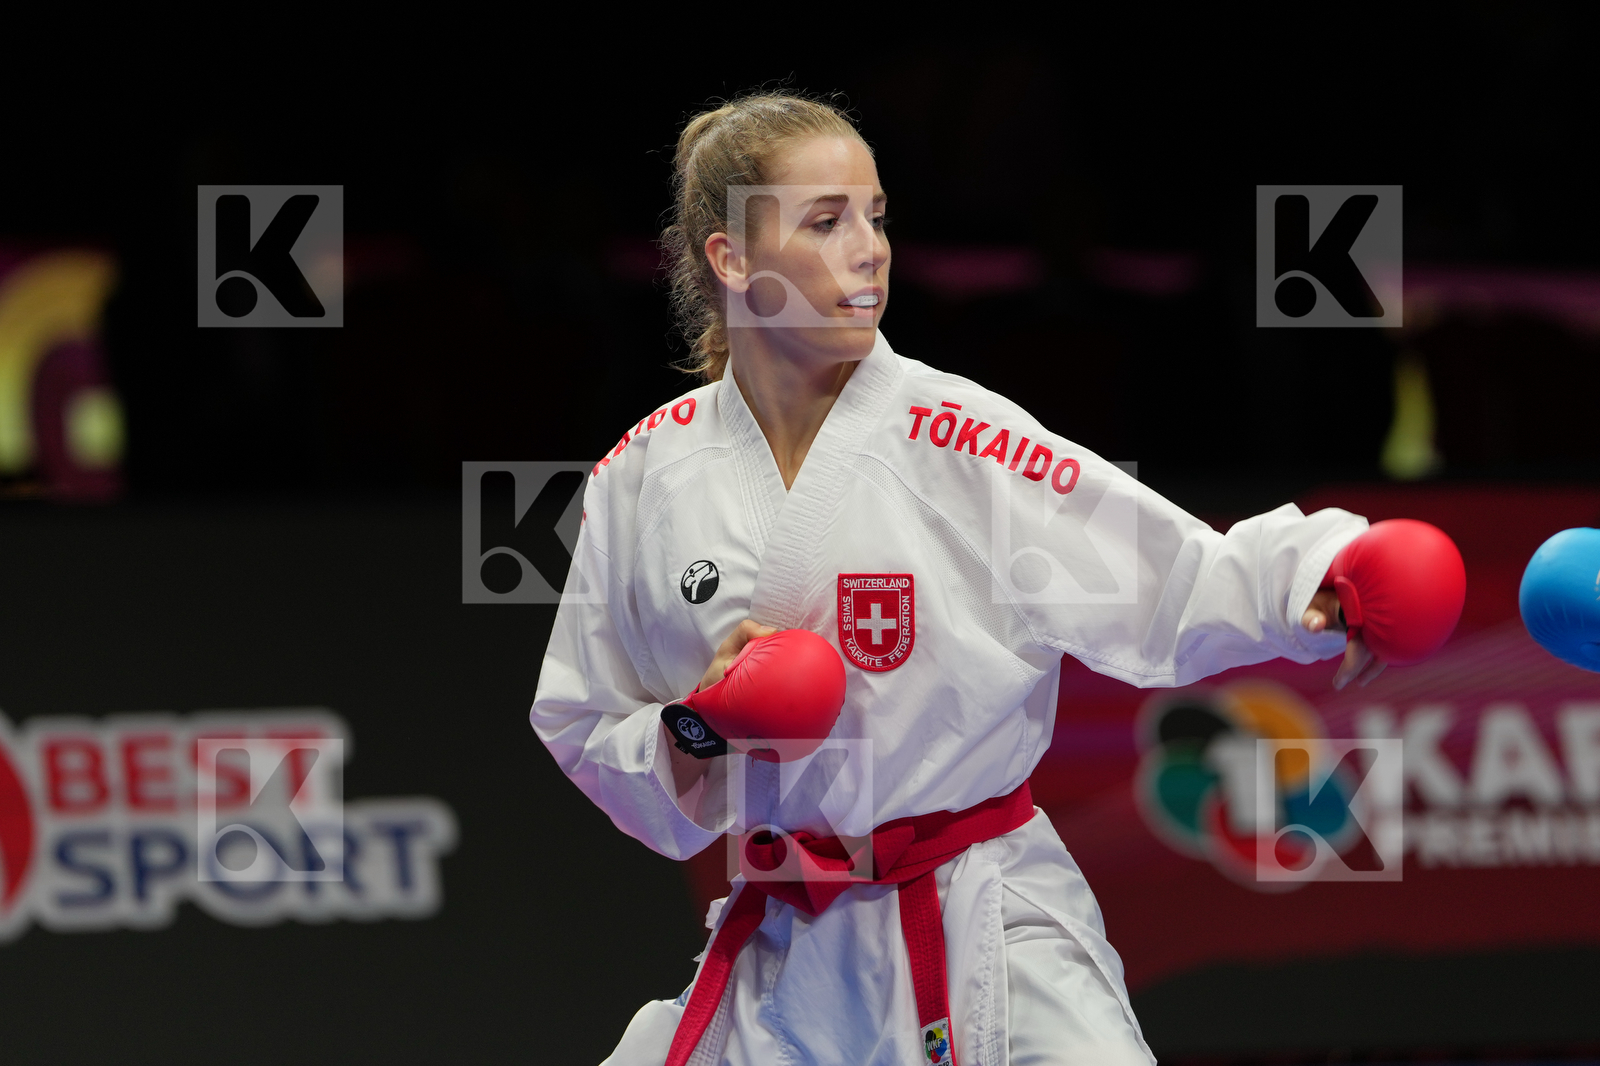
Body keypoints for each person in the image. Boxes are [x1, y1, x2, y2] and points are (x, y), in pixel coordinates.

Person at [530, 91, 1382, 1066]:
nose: (869, 248)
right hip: (784, 941)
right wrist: (703, 723)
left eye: (876, 215)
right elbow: (583, 723)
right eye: (825, 221)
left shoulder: (961, 437)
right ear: (732, 262)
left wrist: (1317, 576)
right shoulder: (641, 480)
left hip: (982, 920)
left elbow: (1171, 578)